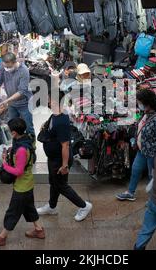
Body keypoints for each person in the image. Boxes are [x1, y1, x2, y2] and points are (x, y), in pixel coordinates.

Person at [0, 118, 44, 247]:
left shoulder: (22, 150)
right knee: (29, 208)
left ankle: (1, 237)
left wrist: (5, 164)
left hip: (22, 186)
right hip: (27, 184)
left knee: (13, 212)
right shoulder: (25, 140)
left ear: (14, 133)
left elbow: (18, 171)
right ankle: (39, 230)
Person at [36, 91, 93, 222]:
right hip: (53, 158)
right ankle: (51, 206)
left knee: (61, 185)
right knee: (54, 183)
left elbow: (65, 145)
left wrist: (64, 165)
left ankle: (84, 206)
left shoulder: (61, 120)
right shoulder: (56, 115)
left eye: (50, 99)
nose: (48, 102)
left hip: (59, 160)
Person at [116, 89, 156, 201]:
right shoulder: (145, 114)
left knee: (153, 176)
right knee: (135, 170)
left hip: (153, 154)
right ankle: (130, 192)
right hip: (142, 150)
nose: (138, 105)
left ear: (148, 103)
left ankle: (154, 199)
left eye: (140, 102)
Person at [0, 49, 35, 136]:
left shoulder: (24, 71)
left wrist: (6, 101)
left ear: (15, 62)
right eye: (5, 67)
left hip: (25, 103)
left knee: (28, 126)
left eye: (9, 67)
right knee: (12, 126)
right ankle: (16, 144)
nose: (7, 69)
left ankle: (31, 146)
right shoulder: (3, 68)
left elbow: (22, 91)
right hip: (12, 103)